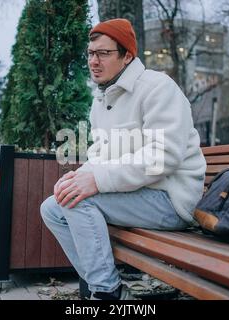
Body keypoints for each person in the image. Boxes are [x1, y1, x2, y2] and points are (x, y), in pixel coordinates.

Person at [41, 18, 206, 300]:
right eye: (91, 54)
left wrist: (97, 181)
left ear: (127, 55)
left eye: (104, 53)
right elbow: (101, 155)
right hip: (137, 194)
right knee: (53, 207)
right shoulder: (102, 99)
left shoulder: (157, 88)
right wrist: (81, 176)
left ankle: (107, 293)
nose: (94, 61)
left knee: (80, 200)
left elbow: (162, 158)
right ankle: (106, 281)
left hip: (170, 198)